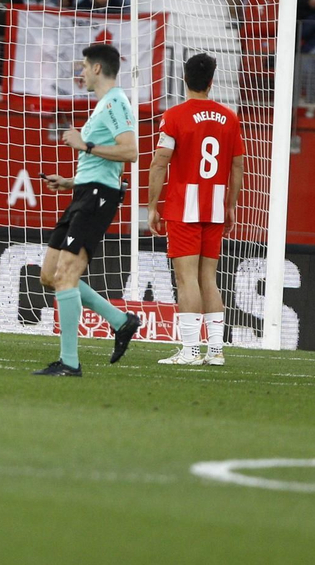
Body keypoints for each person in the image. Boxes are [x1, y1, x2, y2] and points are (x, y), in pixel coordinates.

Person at [34, 43, 142, 376]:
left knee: (66, 276)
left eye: (83, 66)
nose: (80, 72)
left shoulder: (116, 101)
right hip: (85, 191)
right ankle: (120, 321)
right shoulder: (103, 106)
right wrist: (70, 181)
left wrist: (86, 144)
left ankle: (69, 362)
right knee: (49, 275)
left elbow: (131, 152)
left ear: (97, 68)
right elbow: (104, 162)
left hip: (99, 197)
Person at [147, 54, 244, 366]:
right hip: (215, 205)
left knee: (186, 279)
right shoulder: (229, 117)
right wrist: (231, 206)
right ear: (212, 81)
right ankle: (215, 352)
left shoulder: (175, 116)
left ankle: (189, 352)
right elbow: (238, 165)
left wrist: (151, 205)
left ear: (184, 79)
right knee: (209, 278)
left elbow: (160, 161)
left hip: (184, 207)